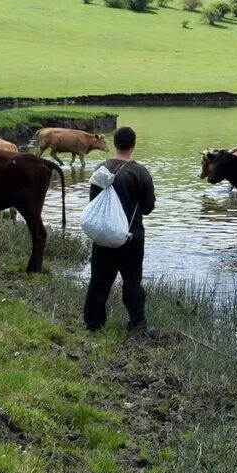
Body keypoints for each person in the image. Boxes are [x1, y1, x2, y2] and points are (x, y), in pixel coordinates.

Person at [83, 126, 156, 332]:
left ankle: (93, 324)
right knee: (132, 283)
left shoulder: (100, 169)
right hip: (131, 237)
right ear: (133, 145)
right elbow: (149, 208)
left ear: (115, 144)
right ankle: (136, 324)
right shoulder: (140, 173)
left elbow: (93, 202)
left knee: (99, 281)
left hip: (103, 235)